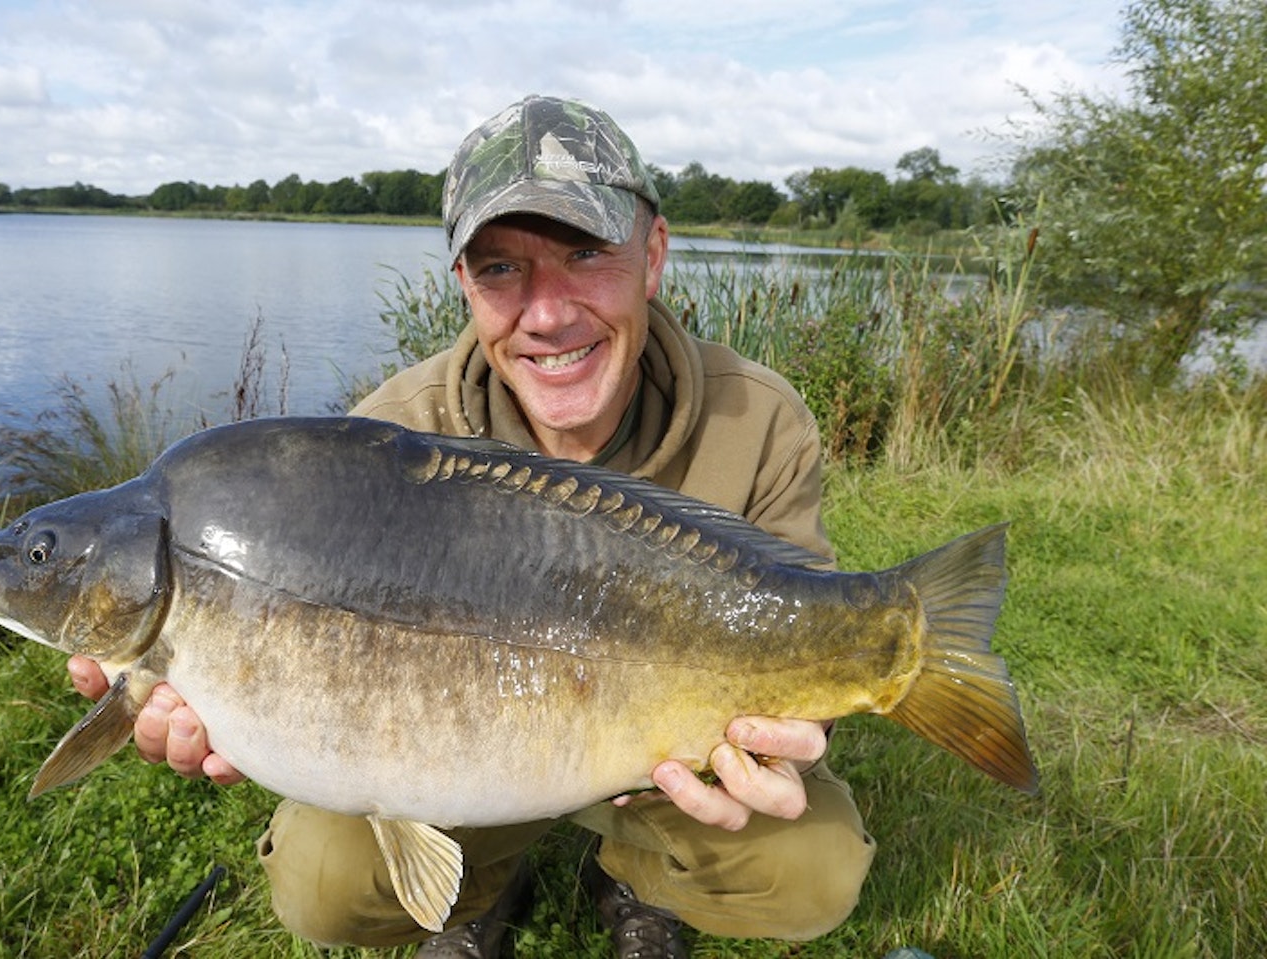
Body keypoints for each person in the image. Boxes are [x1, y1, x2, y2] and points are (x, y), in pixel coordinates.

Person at [68, 94, 876, 958]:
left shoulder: (759, 419)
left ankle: (634, 877)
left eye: (584, 252)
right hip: (454, 759)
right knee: (322, 883)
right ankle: (475, 889)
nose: (548, 312)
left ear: (654, 256)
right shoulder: (380, 445)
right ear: (463, 283)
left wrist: (801, 727)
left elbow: (808, 628)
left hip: (668, 758)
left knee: (811, 868)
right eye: (500, 269)